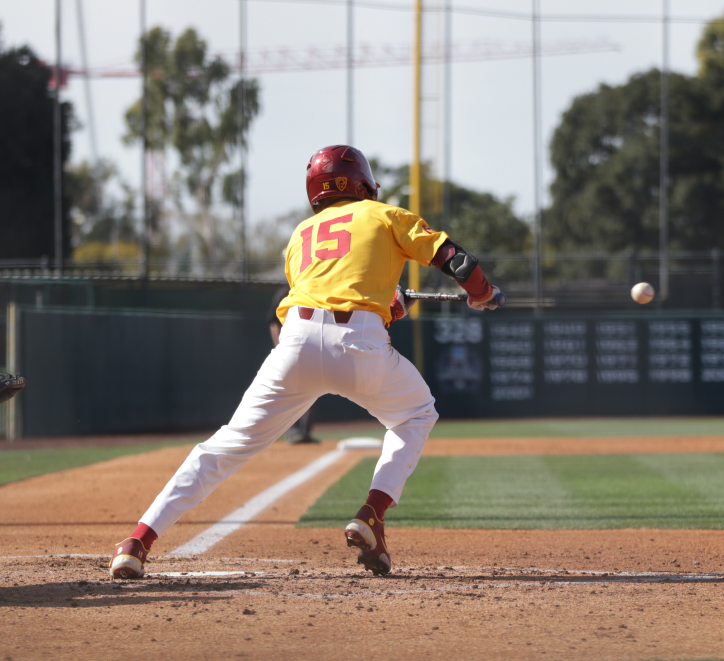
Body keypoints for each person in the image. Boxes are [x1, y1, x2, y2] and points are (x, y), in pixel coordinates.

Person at [109, 145, 502, 579]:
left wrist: (387, 306)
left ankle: (137, 542)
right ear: (364, 184)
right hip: (359, 345)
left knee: (222, 448)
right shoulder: (386, 215)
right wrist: (483, 292)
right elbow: (456, 260)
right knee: (416, 414)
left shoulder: (300, 235)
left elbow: (324, 291)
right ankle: (372, 513)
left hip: (294, 345)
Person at [267, 283, 318, 444]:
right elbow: (273, 322)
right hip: (289, 349)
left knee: (312, 390)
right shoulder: (284, 293)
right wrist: (279, 347)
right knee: (290, 391)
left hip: (308, 349)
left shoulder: (311, 290)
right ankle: (292, 432)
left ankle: (304, 432)